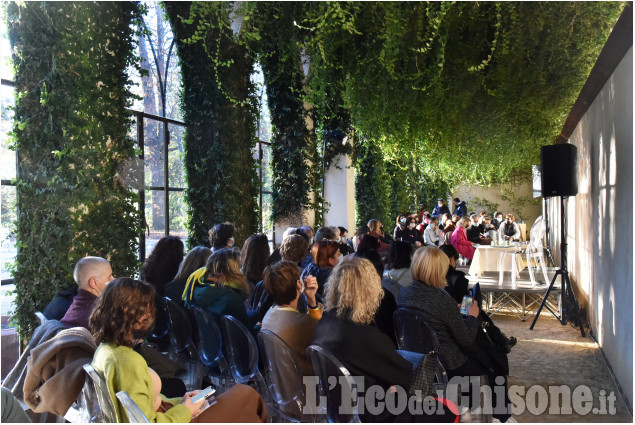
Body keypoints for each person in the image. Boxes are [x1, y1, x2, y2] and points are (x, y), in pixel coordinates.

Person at [89, 278, 267, 423]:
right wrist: (186, 410)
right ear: (137, 317)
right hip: (177, 419)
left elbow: (145, 405)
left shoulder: (105, 350)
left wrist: (182, 401)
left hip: (173, 413)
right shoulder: (127, 361)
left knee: (242, 400)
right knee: (246, 395)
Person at [312, 256, 455, 423]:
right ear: (369, 291)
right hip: (376, 413)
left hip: (340, 411)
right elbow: (405, 375)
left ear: (335, 286)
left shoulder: (323, 323)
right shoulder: (365, 336)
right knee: (447, 410)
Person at [398, 247, 511, 422]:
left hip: (418, 357)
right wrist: (472, 316)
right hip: (449, 362)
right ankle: (495, 415)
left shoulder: (404, 293)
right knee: (492, 361)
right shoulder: (441, 300)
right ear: (438, 270)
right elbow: (466, 339)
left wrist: (454, 312)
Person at [261, 261, 322, 376]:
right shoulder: (303, 323)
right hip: (309, 388)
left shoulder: (267, 317)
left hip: (281, 385)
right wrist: (312, 301)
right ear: (299, 285)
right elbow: (322, 338)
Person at [182, 249, 253, 329]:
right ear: (234, 271)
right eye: (240, 267)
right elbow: (246, 333)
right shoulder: (232, 299)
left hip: (207, 339)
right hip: (229, 339)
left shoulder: (195, 290)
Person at [60, 256, 114, 330]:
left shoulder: (76, 305)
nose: (113, 279)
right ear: (94, 283)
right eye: (110, 276)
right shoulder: (98, 316)